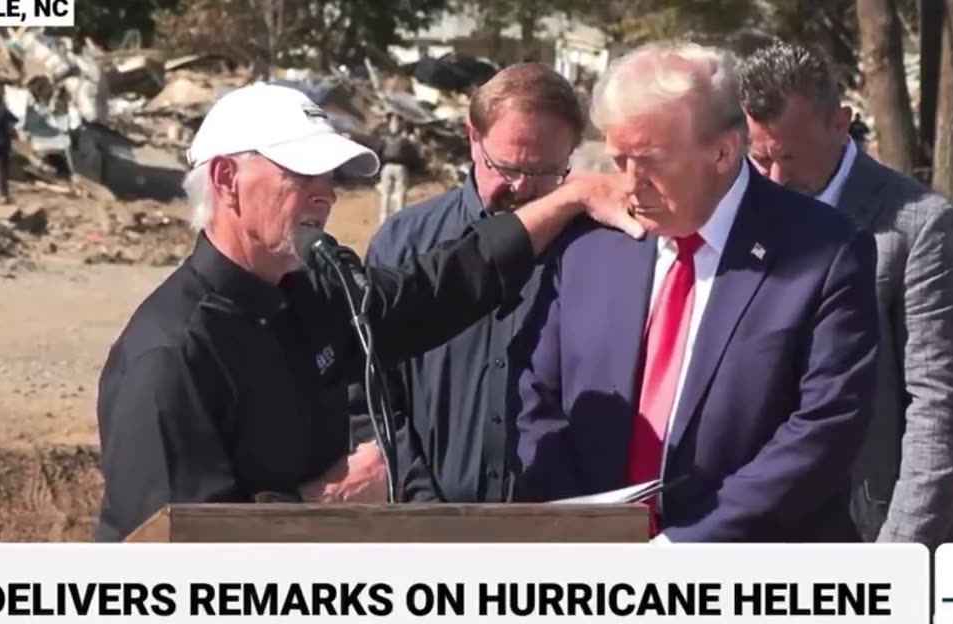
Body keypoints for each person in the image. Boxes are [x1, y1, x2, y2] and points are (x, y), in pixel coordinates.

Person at [93, 83, 638, 540]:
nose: (325, 195)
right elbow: (176, 560)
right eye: (301, 175)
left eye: (331, 178)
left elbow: (441, 287)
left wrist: (569, 197)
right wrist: (320, 502)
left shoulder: (311, 293)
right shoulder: (171, 357)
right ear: (226, 180)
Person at [515, 41, 881, 545]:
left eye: (649, 162)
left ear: (723, 152)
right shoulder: (592, 244)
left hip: (753, 583)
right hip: (599, 579)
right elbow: (537, 396)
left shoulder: (825, 251)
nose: (629, 184)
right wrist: (583, 531)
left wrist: (682, 550)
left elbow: (823, 428)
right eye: (618, 159)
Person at [739, 41, 953, 547]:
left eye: (789, 156)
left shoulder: (916, 224)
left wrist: (898, 557)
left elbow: (938, 404)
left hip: (874, 533)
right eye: (760, 159)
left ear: (840, 122)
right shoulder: (736, 210)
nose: (774, 178)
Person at [362, 62, 585, 503]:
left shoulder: (593, 253)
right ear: (472, 138)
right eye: (506, 166)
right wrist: (417, 498)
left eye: (544, 172)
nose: (521, 188)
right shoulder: (405, 242)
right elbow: (373, 394)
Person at [376, 113, 417, 224]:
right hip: (399, 167)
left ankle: (384, 222)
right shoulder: (404, 139)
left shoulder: (384, 137)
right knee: (398, 195)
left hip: (389, 167)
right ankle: (398, 221)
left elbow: (379, 152)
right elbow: (412, 155)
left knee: (387, 195)